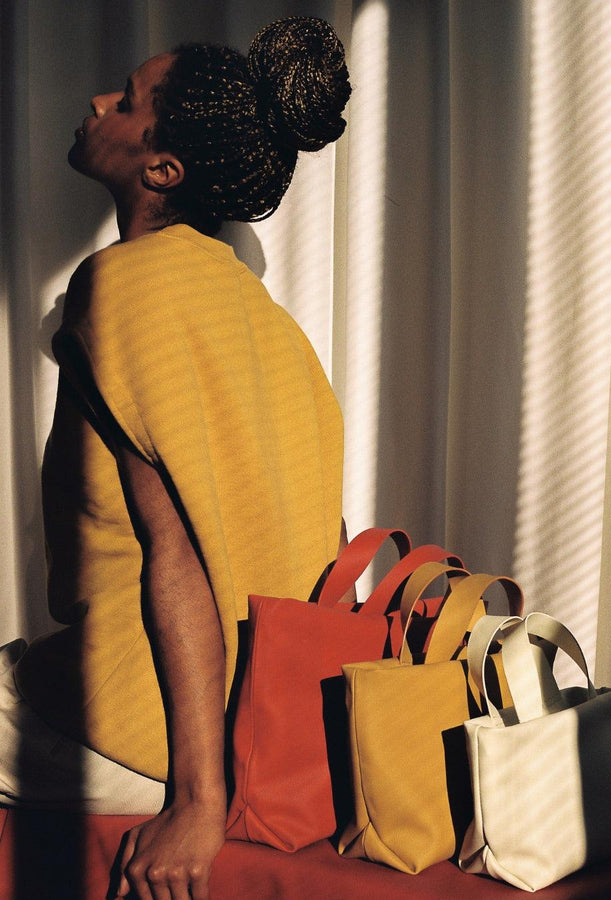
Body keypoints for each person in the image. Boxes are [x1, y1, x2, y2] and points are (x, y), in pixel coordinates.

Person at [0, 16, 351, 900]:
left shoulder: (124, 286)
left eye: (126, 102)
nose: (96, 103)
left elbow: (179, 551)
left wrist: (198, 804)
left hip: (138, 724)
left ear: (162, 169)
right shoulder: (277, 330)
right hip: (254, 731)